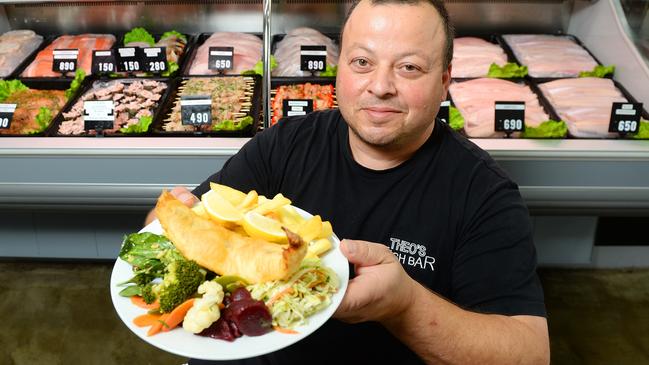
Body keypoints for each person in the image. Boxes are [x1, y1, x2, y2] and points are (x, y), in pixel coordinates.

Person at [145, 0, 550, 363]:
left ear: (444, 81)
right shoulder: (286, 142)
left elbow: (531, 353)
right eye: (362, 62)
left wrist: (406, 306)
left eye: (409, 67)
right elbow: (185, 221)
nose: (380, 86)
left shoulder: (483, 193)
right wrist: (169, 226)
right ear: (340, 68)